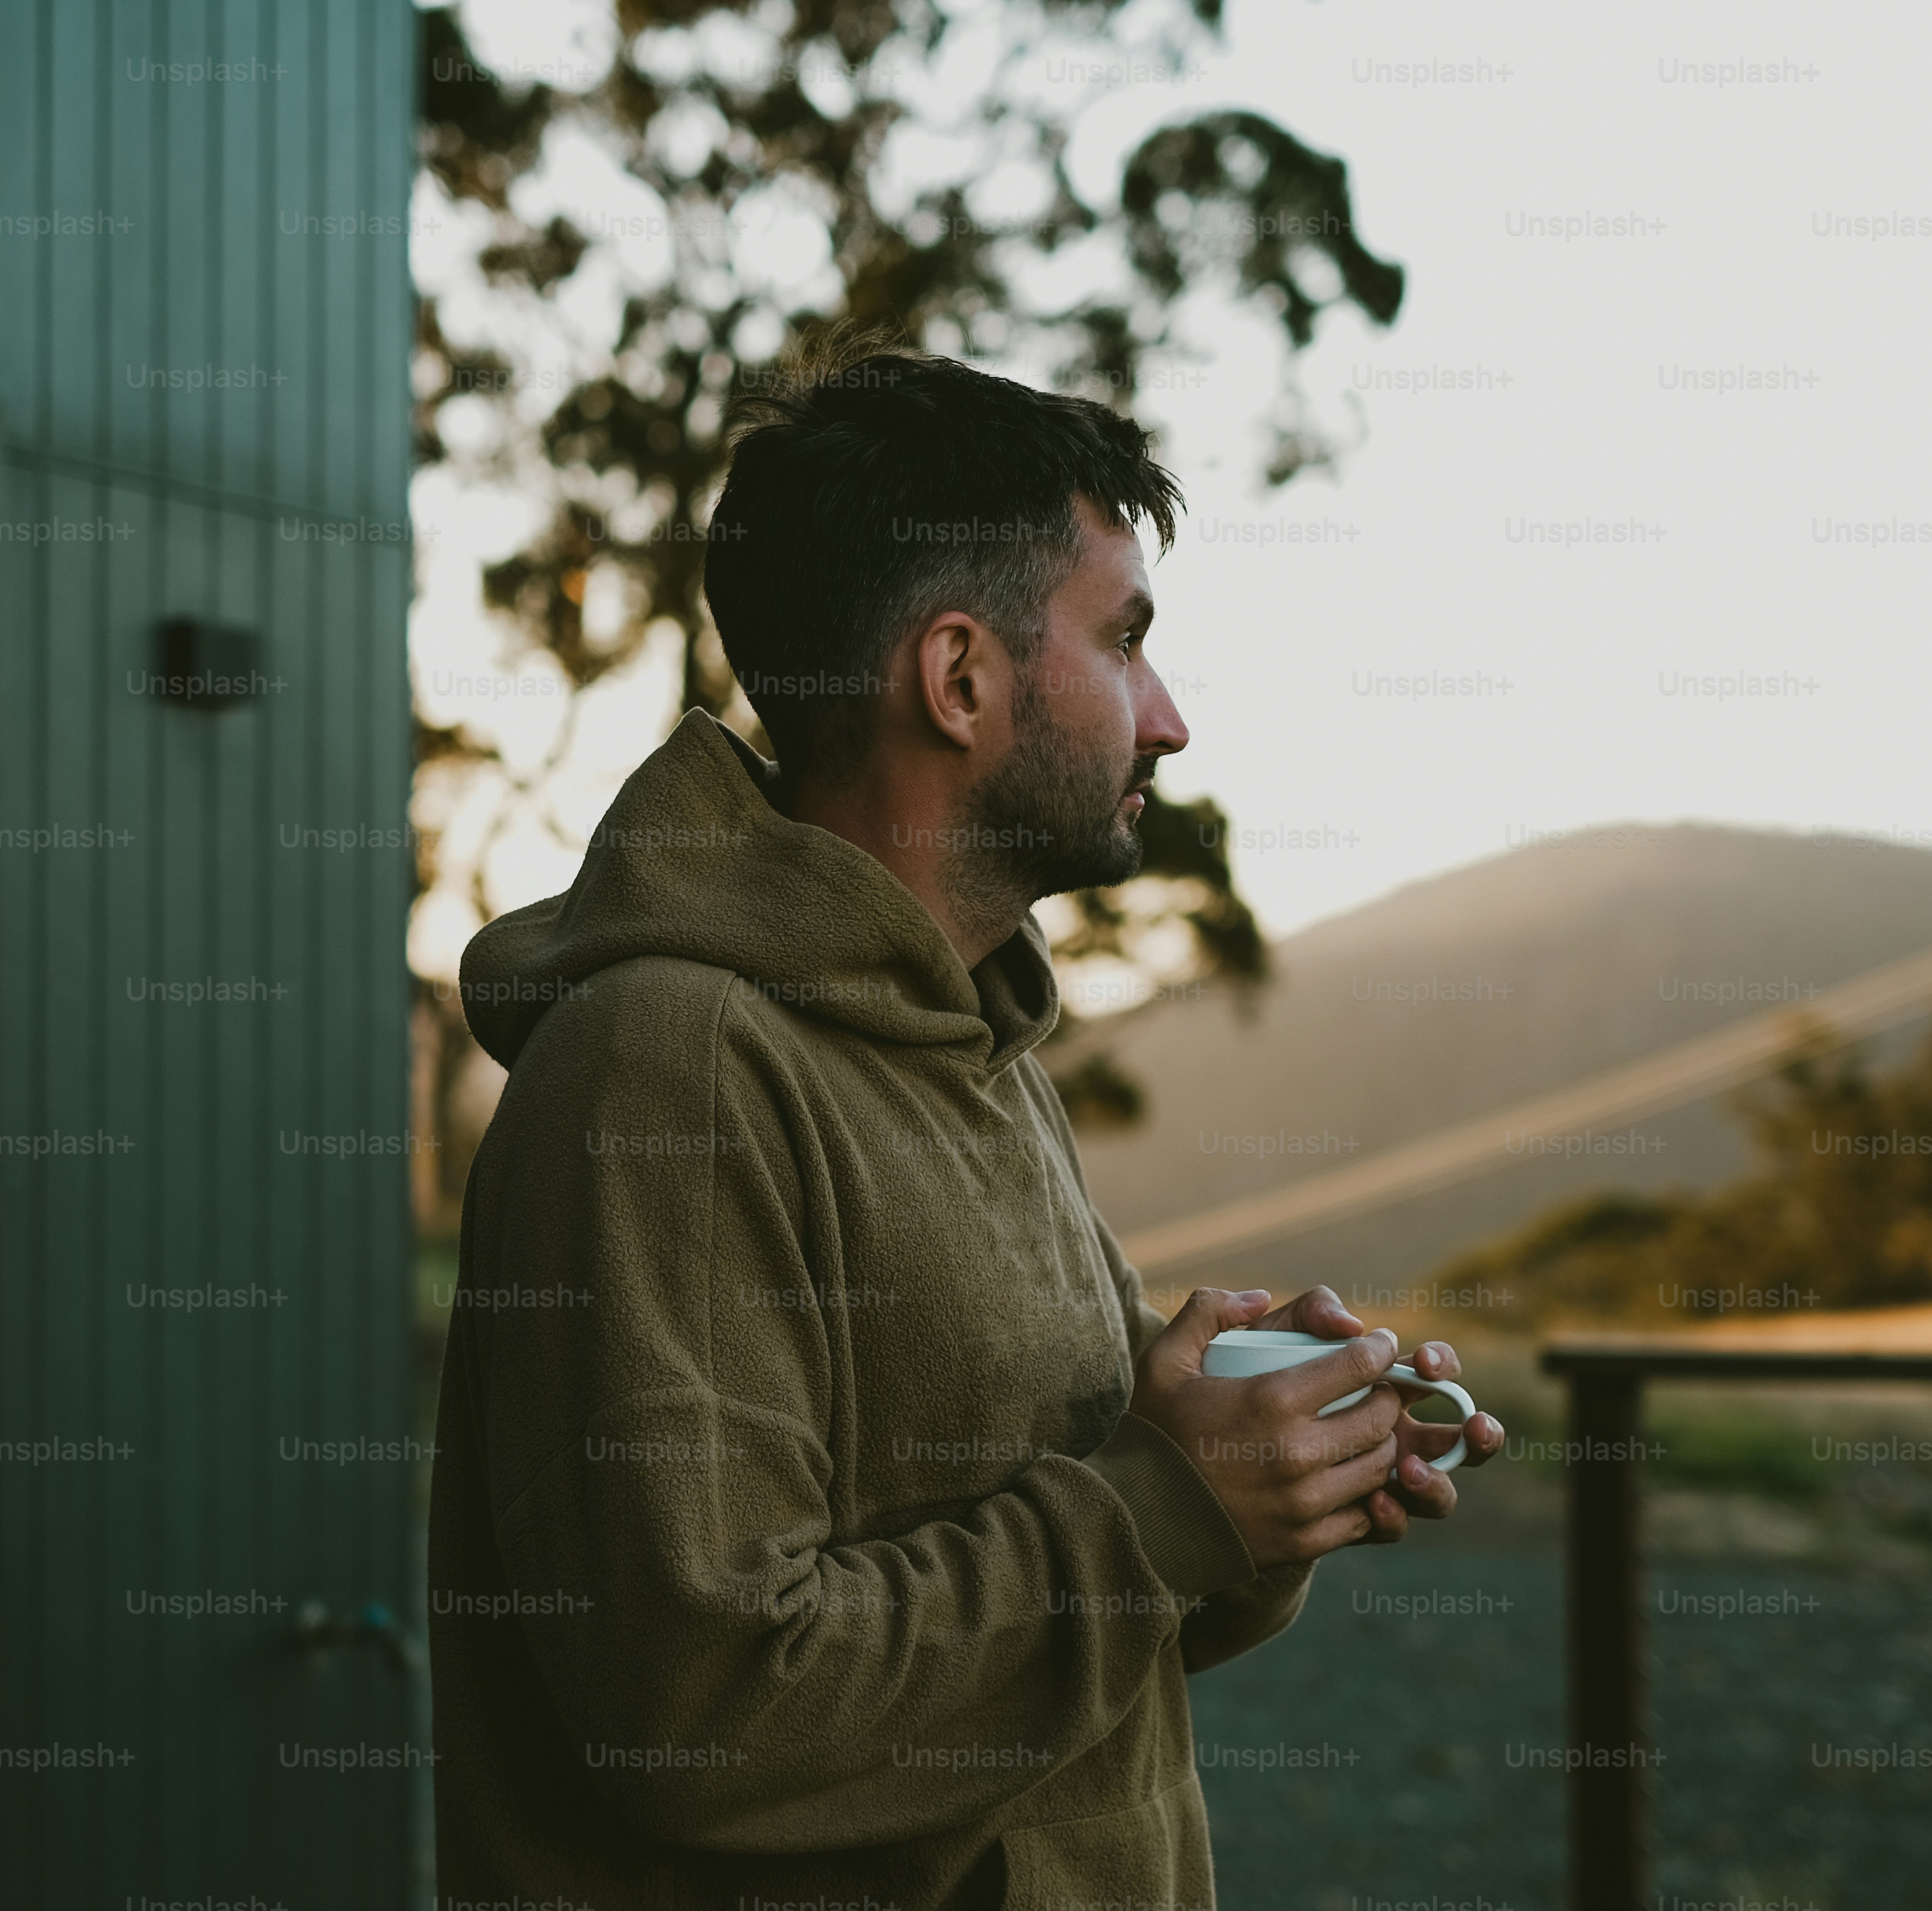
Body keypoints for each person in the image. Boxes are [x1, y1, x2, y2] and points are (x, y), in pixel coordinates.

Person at [429, 345, 1505, 1907]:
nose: (1171, 719)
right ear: (957, 678)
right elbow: (698, 1716)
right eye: (1125, 643)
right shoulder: (670, 1066)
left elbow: (1078, 1615)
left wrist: (1264, 1482)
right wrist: (1159, 1507)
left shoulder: (973, 1051)